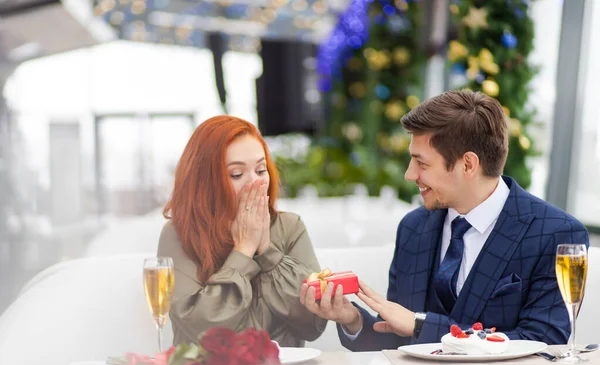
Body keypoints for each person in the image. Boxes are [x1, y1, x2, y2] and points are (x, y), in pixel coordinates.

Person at [300, 90, 589, 351]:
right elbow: (397, 339)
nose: (409, 175)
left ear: (467, 164)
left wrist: (420, 324)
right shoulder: (413, 228)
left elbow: (542, 343)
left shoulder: (556, 234)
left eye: (422, 163)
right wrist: (352, 319)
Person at [158, 115, 326, 347]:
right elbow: (200, 331)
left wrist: (267, 252)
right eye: (236, 174)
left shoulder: (290, 227)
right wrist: (244, 249)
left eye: (260, 170)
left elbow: (313, 323)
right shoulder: (177, 234)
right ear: (205, 181)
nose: (255, 183)